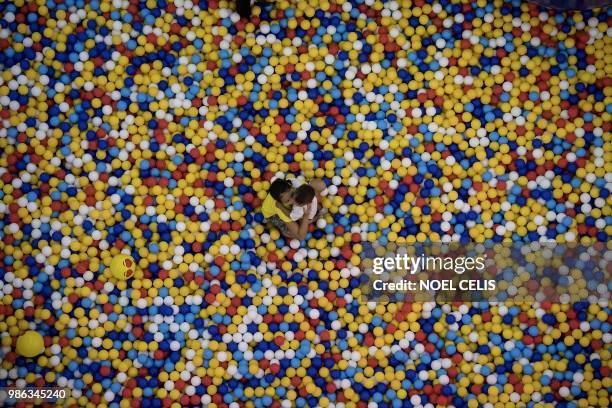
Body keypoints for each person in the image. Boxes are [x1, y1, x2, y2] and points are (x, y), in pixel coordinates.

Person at [261, 177, 327, 240]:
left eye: (292, 195)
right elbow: (301, 237)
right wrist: (306, 216)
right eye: (288, 201)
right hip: (271, 214)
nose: (293, 200)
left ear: (292, 188)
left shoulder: (298, 185)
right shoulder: (279, 207)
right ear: (280, 202)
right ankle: (284, 232)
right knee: (289, 232)